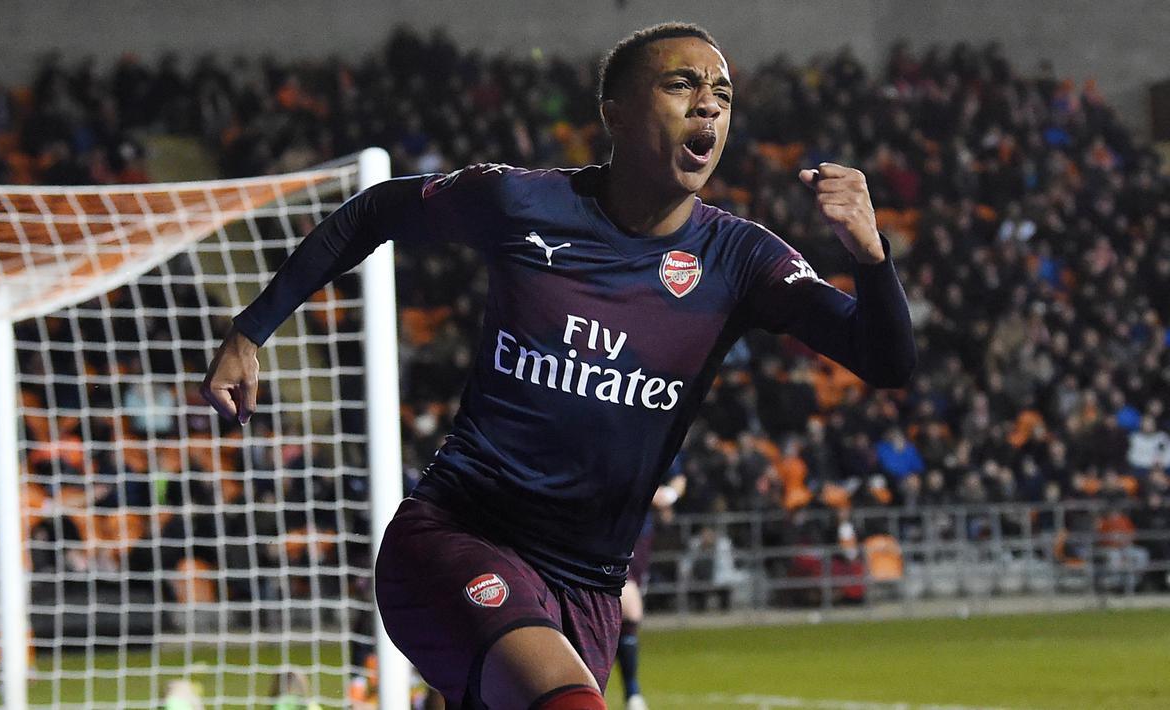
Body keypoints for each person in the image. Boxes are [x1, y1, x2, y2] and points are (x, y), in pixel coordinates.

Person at [202, 22, 915, 710]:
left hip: (587, 590)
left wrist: (869, 256)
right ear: (616, 112)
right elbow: (373, 212)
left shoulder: (741, 260)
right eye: (681, 84)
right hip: (458, 538)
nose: (708, 104)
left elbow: (886, 362)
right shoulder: (523, 202)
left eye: (722, 94)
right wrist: (250, 330)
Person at [615, 462, 685, 710]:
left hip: (639, 535)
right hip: (606, 529)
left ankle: (628, 690)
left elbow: (678, 478)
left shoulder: (656, 428)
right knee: (629, 609)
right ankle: (632, 692)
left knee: (625, 614)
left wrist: (668, 495)